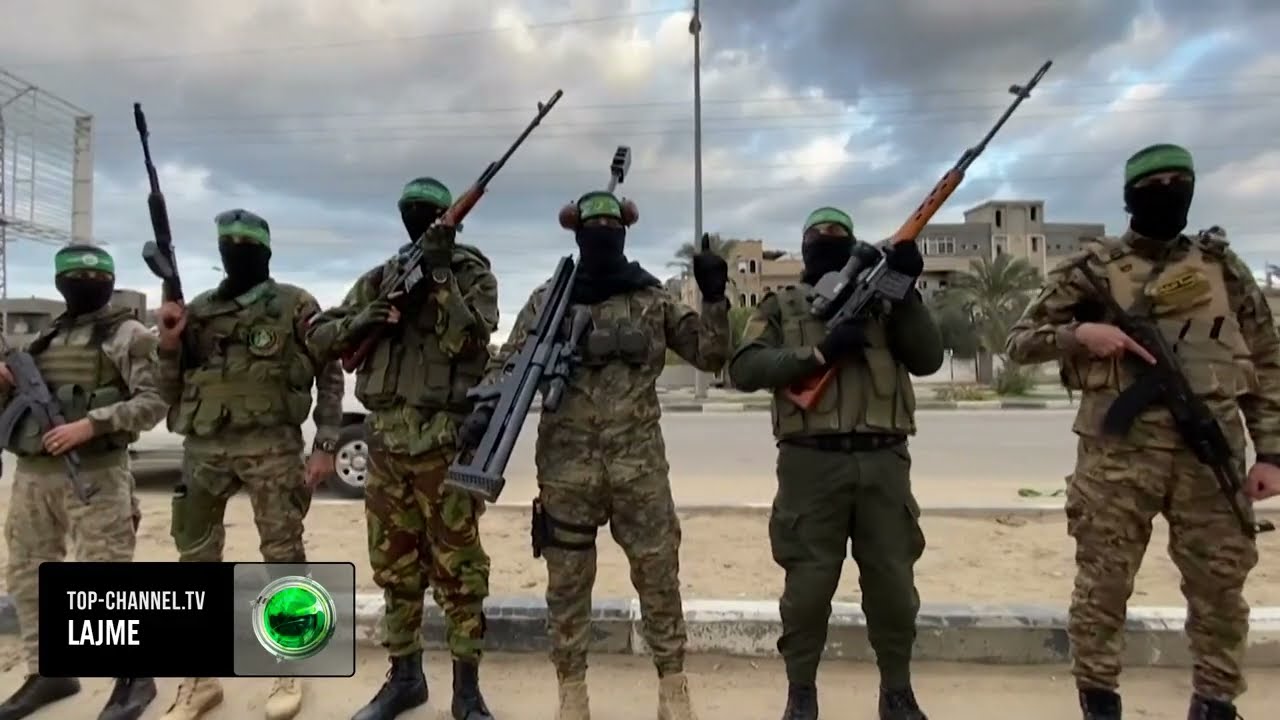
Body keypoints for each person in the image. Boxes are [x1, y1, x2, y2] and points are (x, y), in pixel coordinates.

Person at [1004, 143, 1280, 720]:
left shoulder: (1224, 268)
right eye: (1155, 184)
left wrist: (1272, 453)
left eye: (1180, 181)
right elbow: (1019, 342)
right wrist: (1079, 336)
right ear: (1130, 197)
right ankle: (1099, 702)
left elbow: (1266, 360)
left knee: (1220, 589)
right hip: (1118, 458)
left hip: (1210, 454)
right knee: (1102, 588)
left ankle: (1215, 703)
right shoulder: (1091, 269)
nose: (1169, 192)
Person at [457, 190, 729, 720]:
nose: (602, 236)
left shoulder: (652, 298)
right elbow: (509, 360)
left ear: (624, 234)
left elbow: (711, 354)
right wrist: (485, 408)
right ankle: (572, 691)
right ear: (577, 235)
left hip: (639, 468)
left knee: (659, 576)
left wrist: (715, 298)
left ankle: (673, 687)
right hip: (566, 470)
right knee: (566, 587)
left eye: (611, 228)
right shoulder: (549, 300)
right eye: (593, 228)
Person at [727, 207, 940, 720]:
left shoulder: (886, 304)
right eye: (819, 236)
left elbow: (928, 358)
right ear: (804, 248)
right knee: (807, 591)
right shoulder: (782, 305)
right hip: (810, 466)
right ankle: (801, 692)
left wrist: (907, 289)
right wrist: (817, 355)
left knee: (894, 589)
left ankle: (897, 692)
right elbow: (746, 367)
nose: (829, 241)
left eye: (839, 235)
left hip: (883, 462)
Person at [304, 177, 497, 720]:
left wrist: (439, 276)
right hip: (386, 446)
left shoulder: (472, 275)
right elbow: (320, 336)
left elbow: (472, 340)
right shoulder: (382, 276)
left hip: (444, 447)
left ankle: (466, 691)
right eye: (413, 211)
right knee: (395, 567)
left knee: (459, 571)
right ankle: (406, 679)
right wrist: (362, 319)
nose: (421, 219)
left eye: (430, 213)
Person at [153, 209, 344, 720]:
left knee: (283, 555)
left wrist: (325, 443)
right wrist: (168, 341)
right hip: (205, 450)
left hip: (273, 448)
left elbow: (329, 373)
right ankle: (201, 680)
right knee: (195, 560)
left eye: (248, 246)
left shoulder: (295, 304)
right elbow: (169, 388)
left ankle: (289, 663)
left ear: (266, 252)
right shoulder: (196, 311)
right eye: (229, 246)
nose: (237, 253)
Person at [0, 244, 168, 720]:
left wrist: (92, 424)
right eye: (75, 278)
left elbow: (156, 401)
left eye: (95, 279)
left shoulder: (129, 335)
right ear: (60, 283)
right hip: (34, 477)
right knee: (28, 575)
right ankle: (48, 671)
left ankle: (135, 679)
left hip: (96, 475)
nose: (85, 285)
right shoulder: (46, 339)